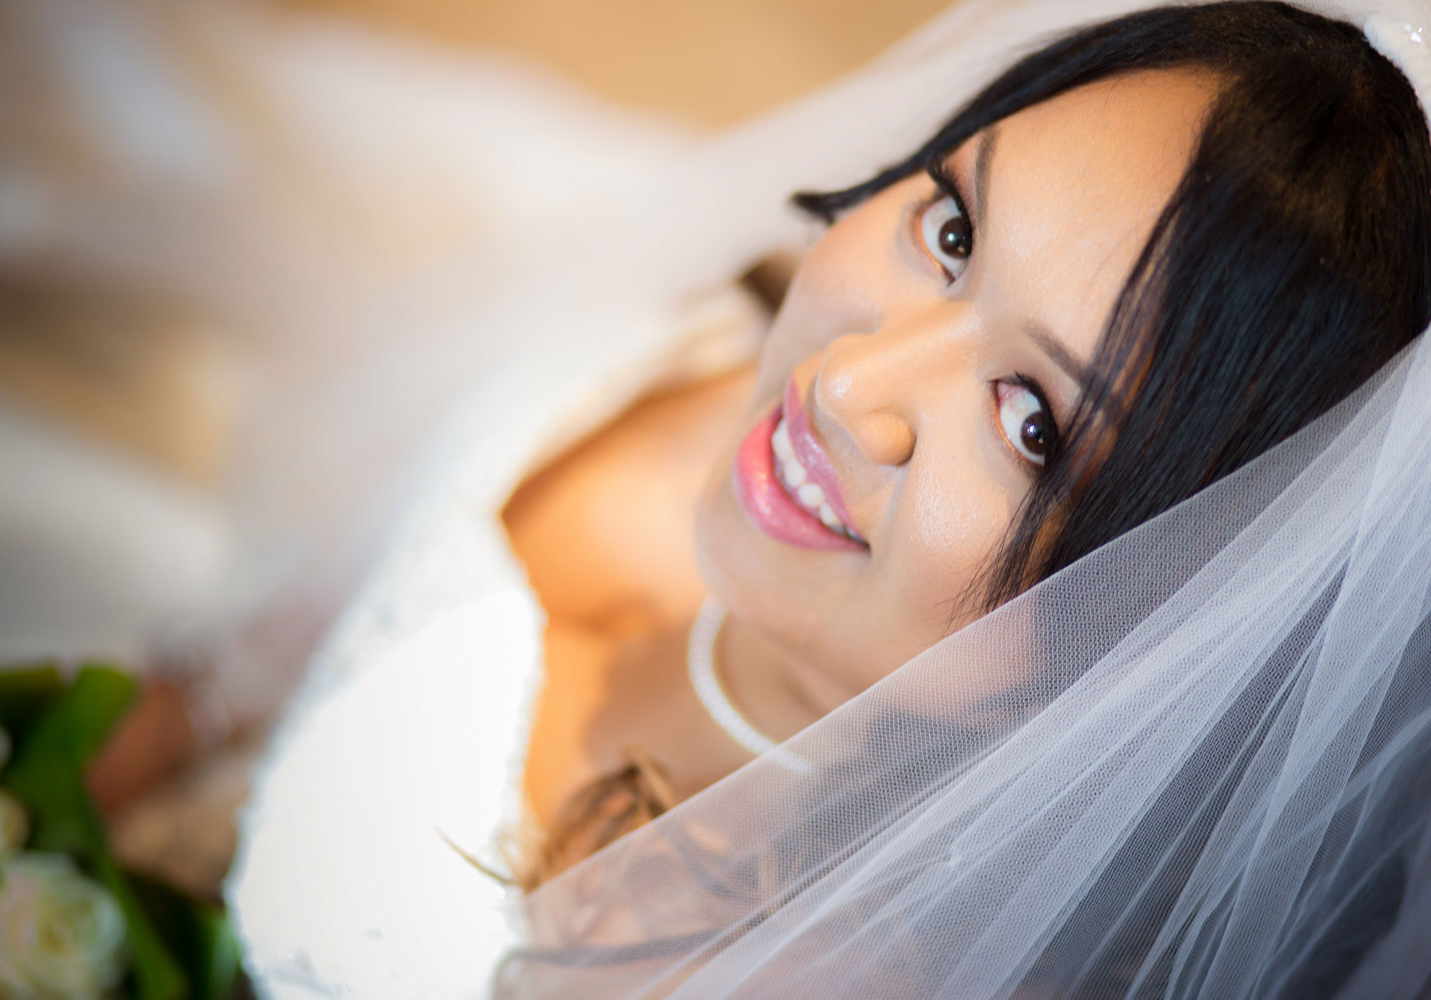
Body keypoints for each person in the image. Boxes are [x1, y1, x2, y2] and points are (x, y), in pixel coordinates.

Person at [230, 0, 1431, 997]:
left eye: (1030, 421)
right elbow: (239, 679)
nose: (850, 382)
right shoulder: (684, 356)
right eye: (953, 228)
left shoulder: (835, 965)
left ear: (1169, 593)